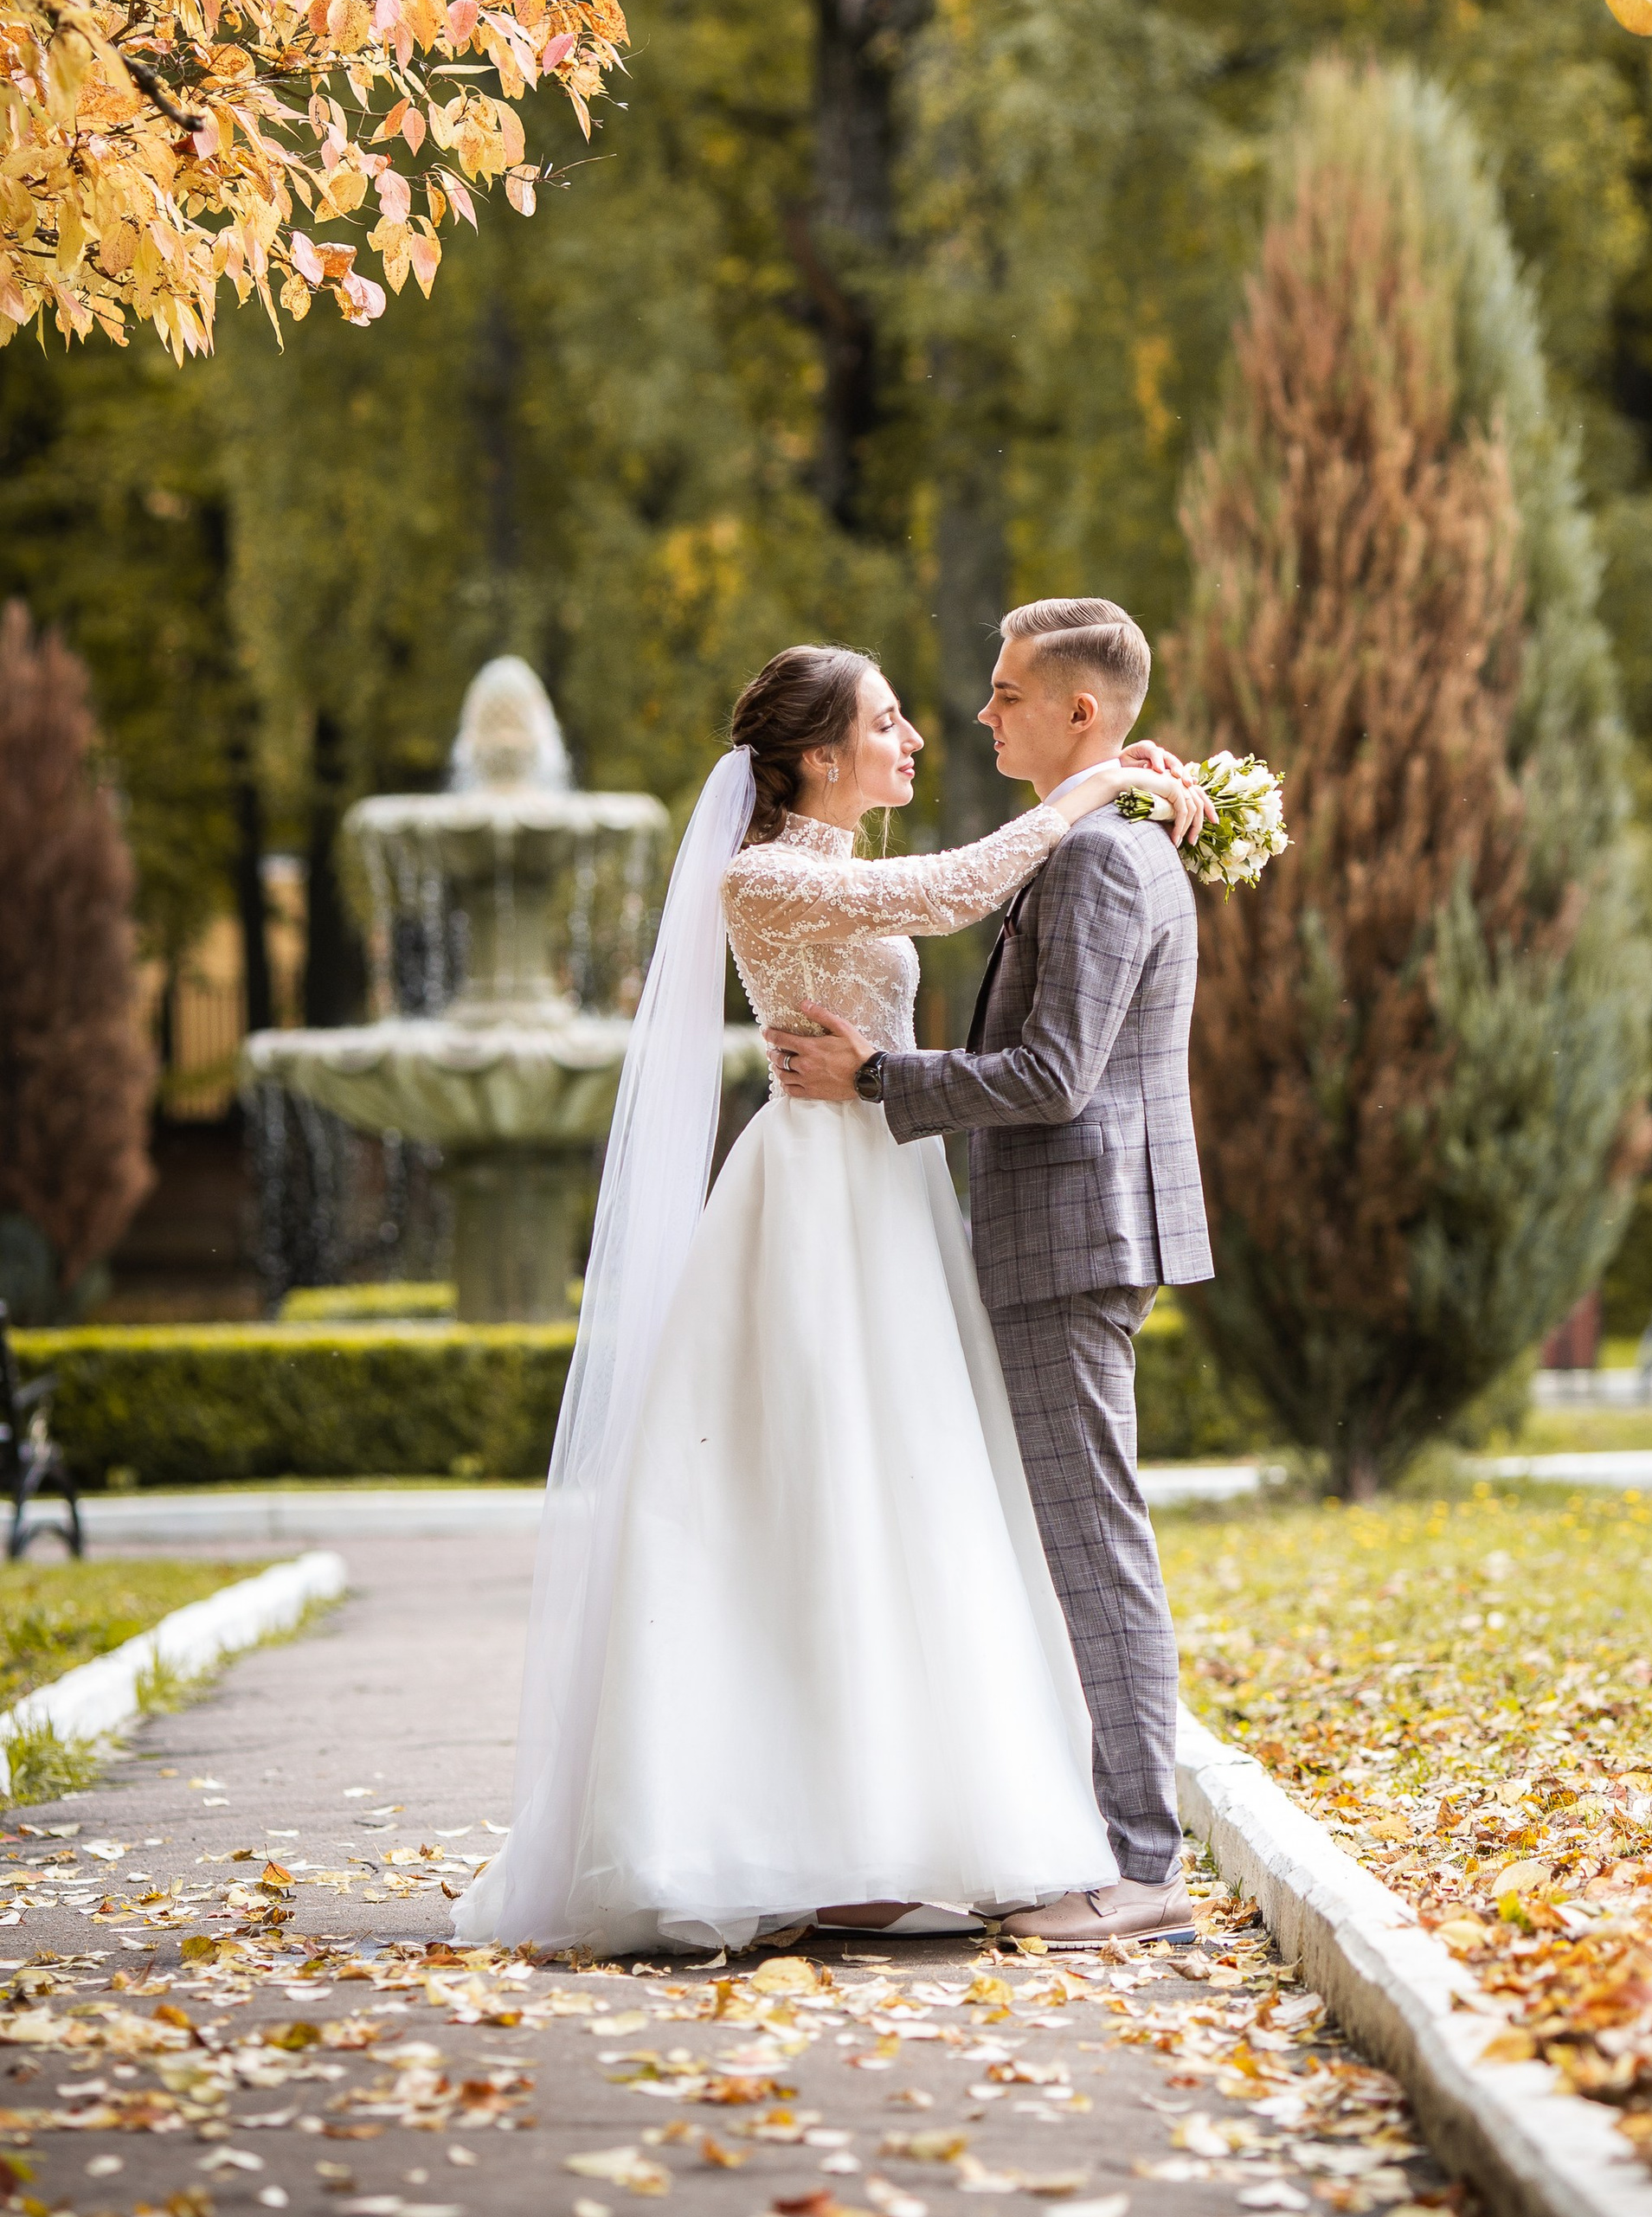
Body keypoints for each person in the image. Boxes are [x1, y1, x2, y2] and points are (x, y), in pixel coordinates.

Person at [453, 641, 1206, 1956]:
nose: (919, 735)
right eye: (888, 720)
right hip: (814, 1195)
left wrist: (1104, 788)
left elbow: (935, 935)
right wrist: (1097, 787)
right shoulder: (769, 873)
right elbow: (958, 887)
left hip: (893, 1191)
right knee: (810, 1496)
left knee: (896, 1503)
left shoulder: (838, 867)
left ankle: (869, 1830)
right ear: (817, 756)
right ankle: (776, 1830)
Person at [774, 596, 1213, 1950]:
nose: (983, 711)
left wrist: (877, 1077)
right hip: (1076, 1233)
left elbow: (1052, 1075)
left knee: (1096, 1545)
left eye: (1009, 691)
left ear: (1083, 715)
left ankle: (1144, 1867)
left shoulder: (1095, 861)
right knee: (1065, 1542)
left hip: (1072, 1235)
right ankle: (1088, 1835)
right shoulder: (1100, 840)